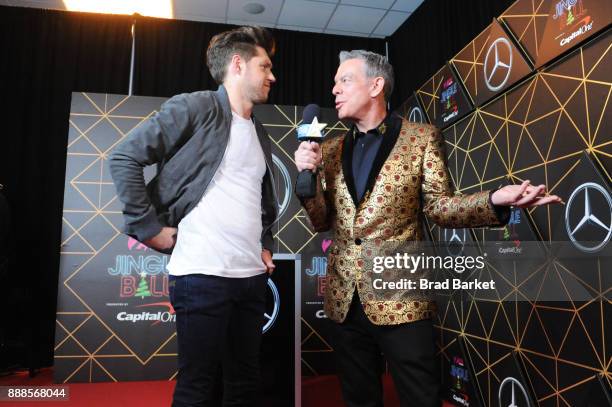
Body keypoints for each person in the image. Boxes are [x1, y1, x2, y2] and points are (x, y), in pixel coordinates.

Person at [294, 50, 561, 407]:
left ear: (376, 85)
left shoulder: (421, 138)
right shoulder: (328, 151)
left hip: (403, 297)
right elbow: (320, 221)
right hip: (344, 301)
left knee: (421, 397)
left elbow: (440, 207)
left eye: (344, 80)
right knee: (358, 398)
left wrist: (495, 198)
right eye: (334, 83)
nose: (335, 91)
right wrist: (307, 177)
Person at [109, 26, 278, 407]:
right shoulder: (195, 106)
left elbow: (261, 200)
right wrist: (147, 228)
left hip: (250, 279)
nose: (272, 75)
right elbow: (124, 158)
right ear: (237, 64)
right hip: (201, 276)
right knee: (197, 387)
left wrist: (265, 246)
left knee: (246, 383)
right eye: (264, 66)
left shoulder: (259, 130)